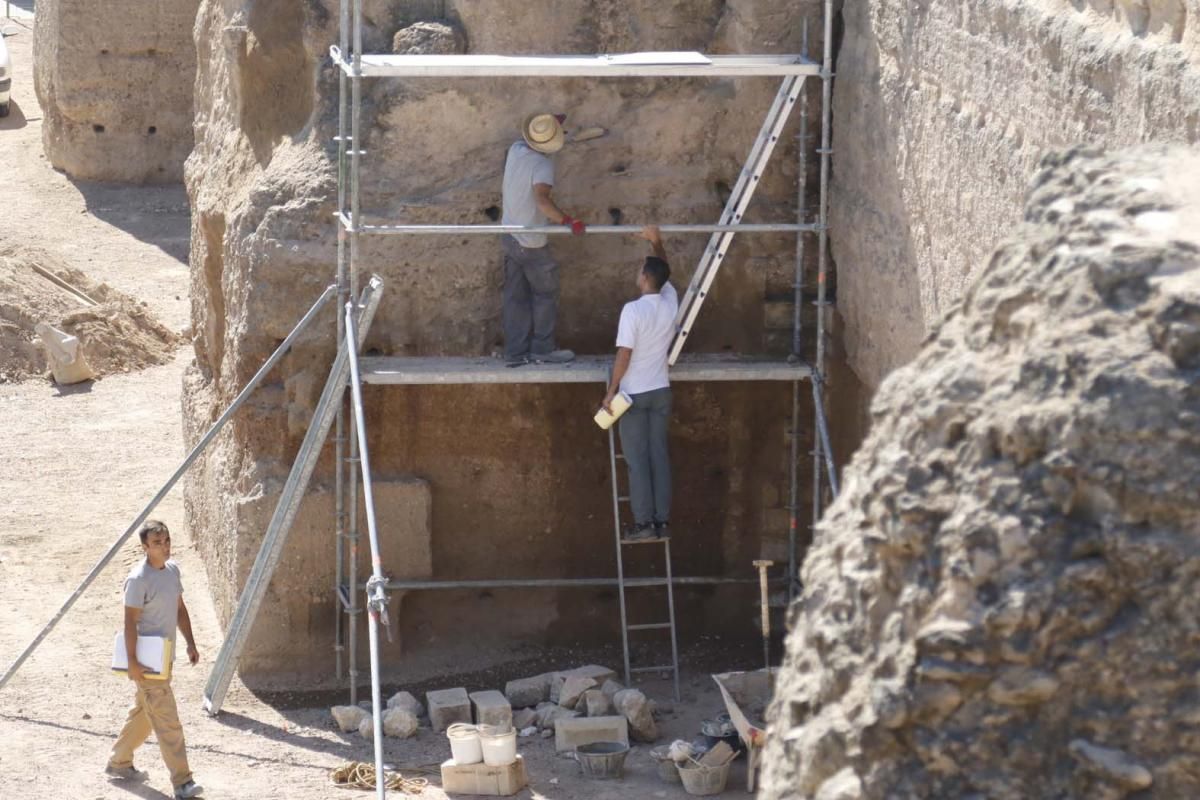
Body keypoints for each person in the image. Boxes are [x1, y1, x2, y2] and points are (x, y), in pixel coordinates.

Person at [105, 520, 204, 800]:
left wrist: (191, 643)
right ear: (145, 547)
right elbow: (129, 623)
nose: (165, 546)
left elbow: (180, 609)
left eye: (167, 540)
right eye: (158, 543)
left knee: (145, 714)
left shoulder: (172, 571)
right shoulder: (138, 579)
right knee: (167, 720)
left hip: (165, 658)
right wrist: (134, 663)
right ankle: (183, 782)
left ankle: (119, 761)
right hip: (147, 664)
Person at [602, 225, 678, 540]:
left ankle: (644, 524)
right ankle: (661, 522)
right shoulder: (671, 301)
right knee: (658, 458)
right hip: (661, 391)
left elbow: (624, 355)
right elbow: (667, 274)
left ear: (645, 279)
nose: (637, 275)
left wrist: (610, 392)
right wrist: (656, 242)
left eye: (639, 272)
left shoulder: (632, 311)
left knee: (637, 463)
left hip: (633, 396)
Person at [501, 112, 587, 366]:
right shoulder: (543, 165)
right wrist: (568, 221)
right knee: (545, 294)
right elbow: (542, 200)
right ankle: (542, 349)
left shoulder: (515, 149)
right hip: (531, 242)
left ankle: (515, 353)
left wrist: (549, 124)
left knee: (515, 297)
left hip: (509, 235)